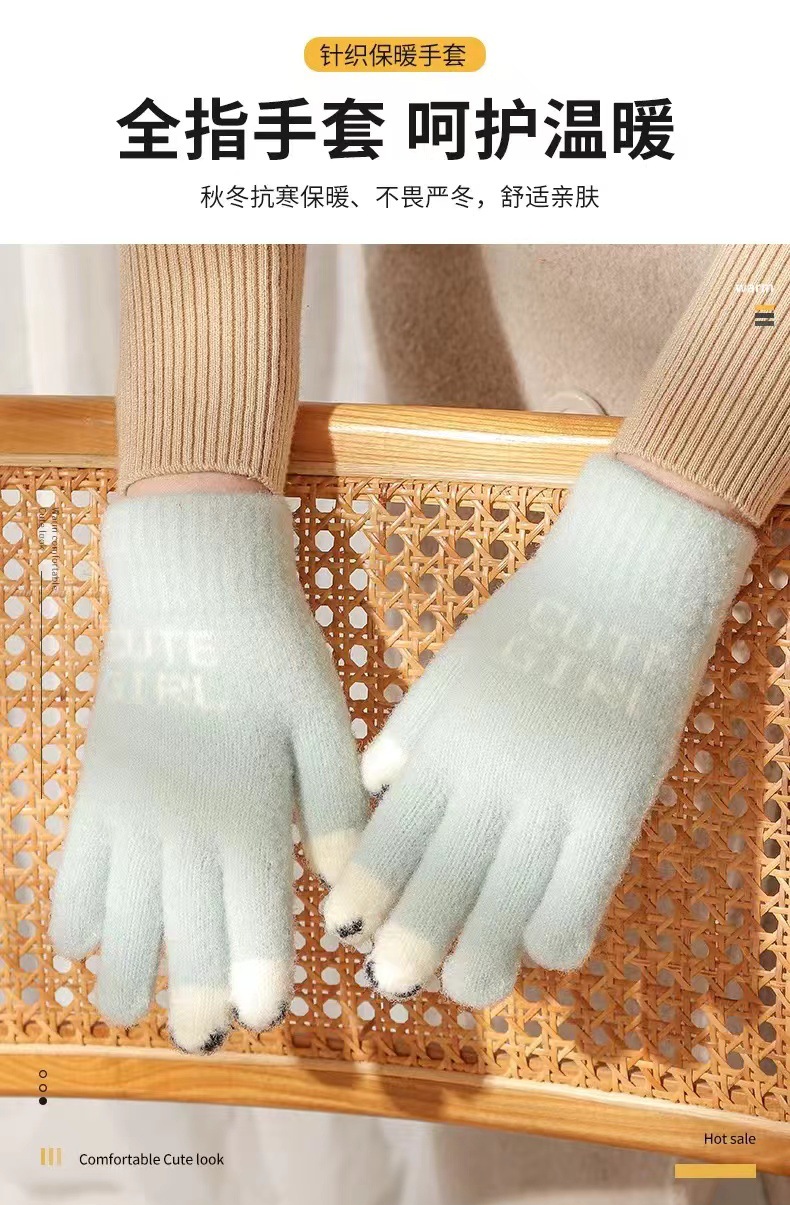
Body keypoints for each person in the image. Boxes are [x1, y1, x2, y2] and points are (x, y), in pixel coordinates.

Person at [50, 244, 790, 1054]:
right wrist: (196, 515)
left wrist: (673, 513)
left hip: (738, 423)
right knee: (511, 977)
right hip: (468, 420)